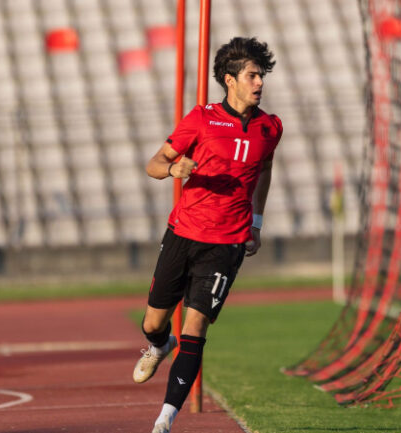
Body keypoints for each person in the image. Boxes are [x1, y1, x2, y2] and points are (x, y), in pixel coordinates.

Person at [132, 36, 282, 433]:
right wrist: (173, 169)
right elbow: (153, 164)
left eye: (261, 76)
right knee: (153, 323)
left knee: (195, 328)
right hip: (183, 233)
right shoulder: (201, 119)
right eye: (252, 76)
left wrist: (256, 222)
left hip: (227, 243)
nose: (259, 83)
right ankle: (158, 345)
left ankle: (165, 419)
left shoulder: (270, 127)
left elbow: (265, 169)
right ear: (230, 80)